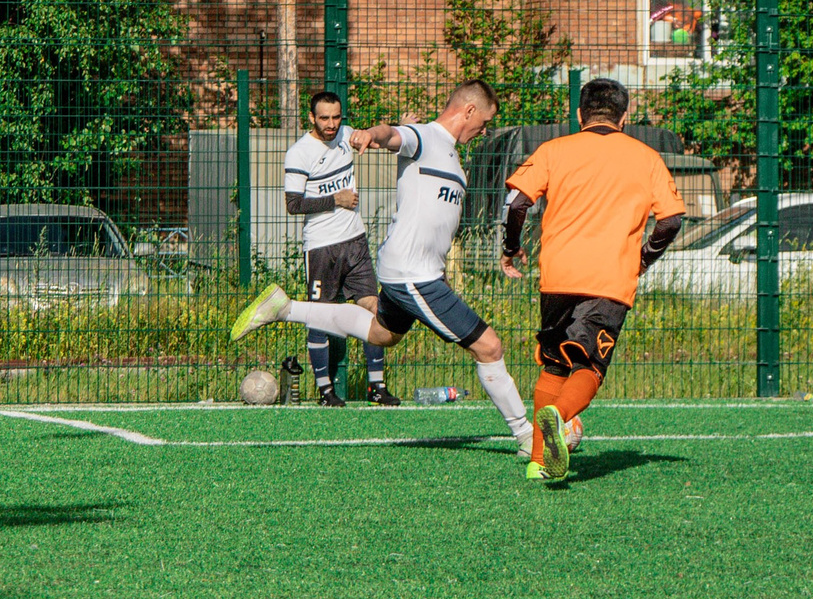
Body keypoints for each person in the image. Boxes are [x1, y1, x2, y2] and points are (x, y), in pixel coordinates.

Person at [230, 82, 533, 452]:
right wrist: (371, 135)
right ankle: (528, 435)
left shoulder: (450, 154)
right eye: (484, 121)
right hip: (412, 274)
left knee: (381, 333)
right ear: (468, 111)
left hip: (414, 272)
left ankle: (284, 308)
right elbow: (391, 135)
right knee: (489, 346)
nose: (484, 130)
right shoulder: (426, 137)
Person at [499, 77, 687, 485]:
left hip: (557, 278)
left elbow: (517, 204)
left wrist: (511, 247)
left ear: (580, 114)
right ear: (625, 116)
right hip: (608, 281)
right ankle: (560, 417)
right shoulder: (646, 156)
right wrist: (643, 259)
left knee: (553, 365)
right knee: (590, 366)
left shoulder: (553, 150)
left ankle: (538, 461)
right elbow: (671, 220)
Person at [282, 89, 398, 407]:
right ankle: (325, 390)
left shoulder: (346, 135)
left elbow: (378, 139)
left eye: (336, 117)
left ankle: (376, 386)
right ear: (311, 118)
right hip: (321, 248)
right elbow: (293, 204)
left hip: (355, 241)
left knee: (374, 309)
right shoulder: (299, 153)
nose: (332, 124)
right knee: (320, 318)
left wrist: (404, 128)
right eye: (324, 118)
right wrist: (336, 199)